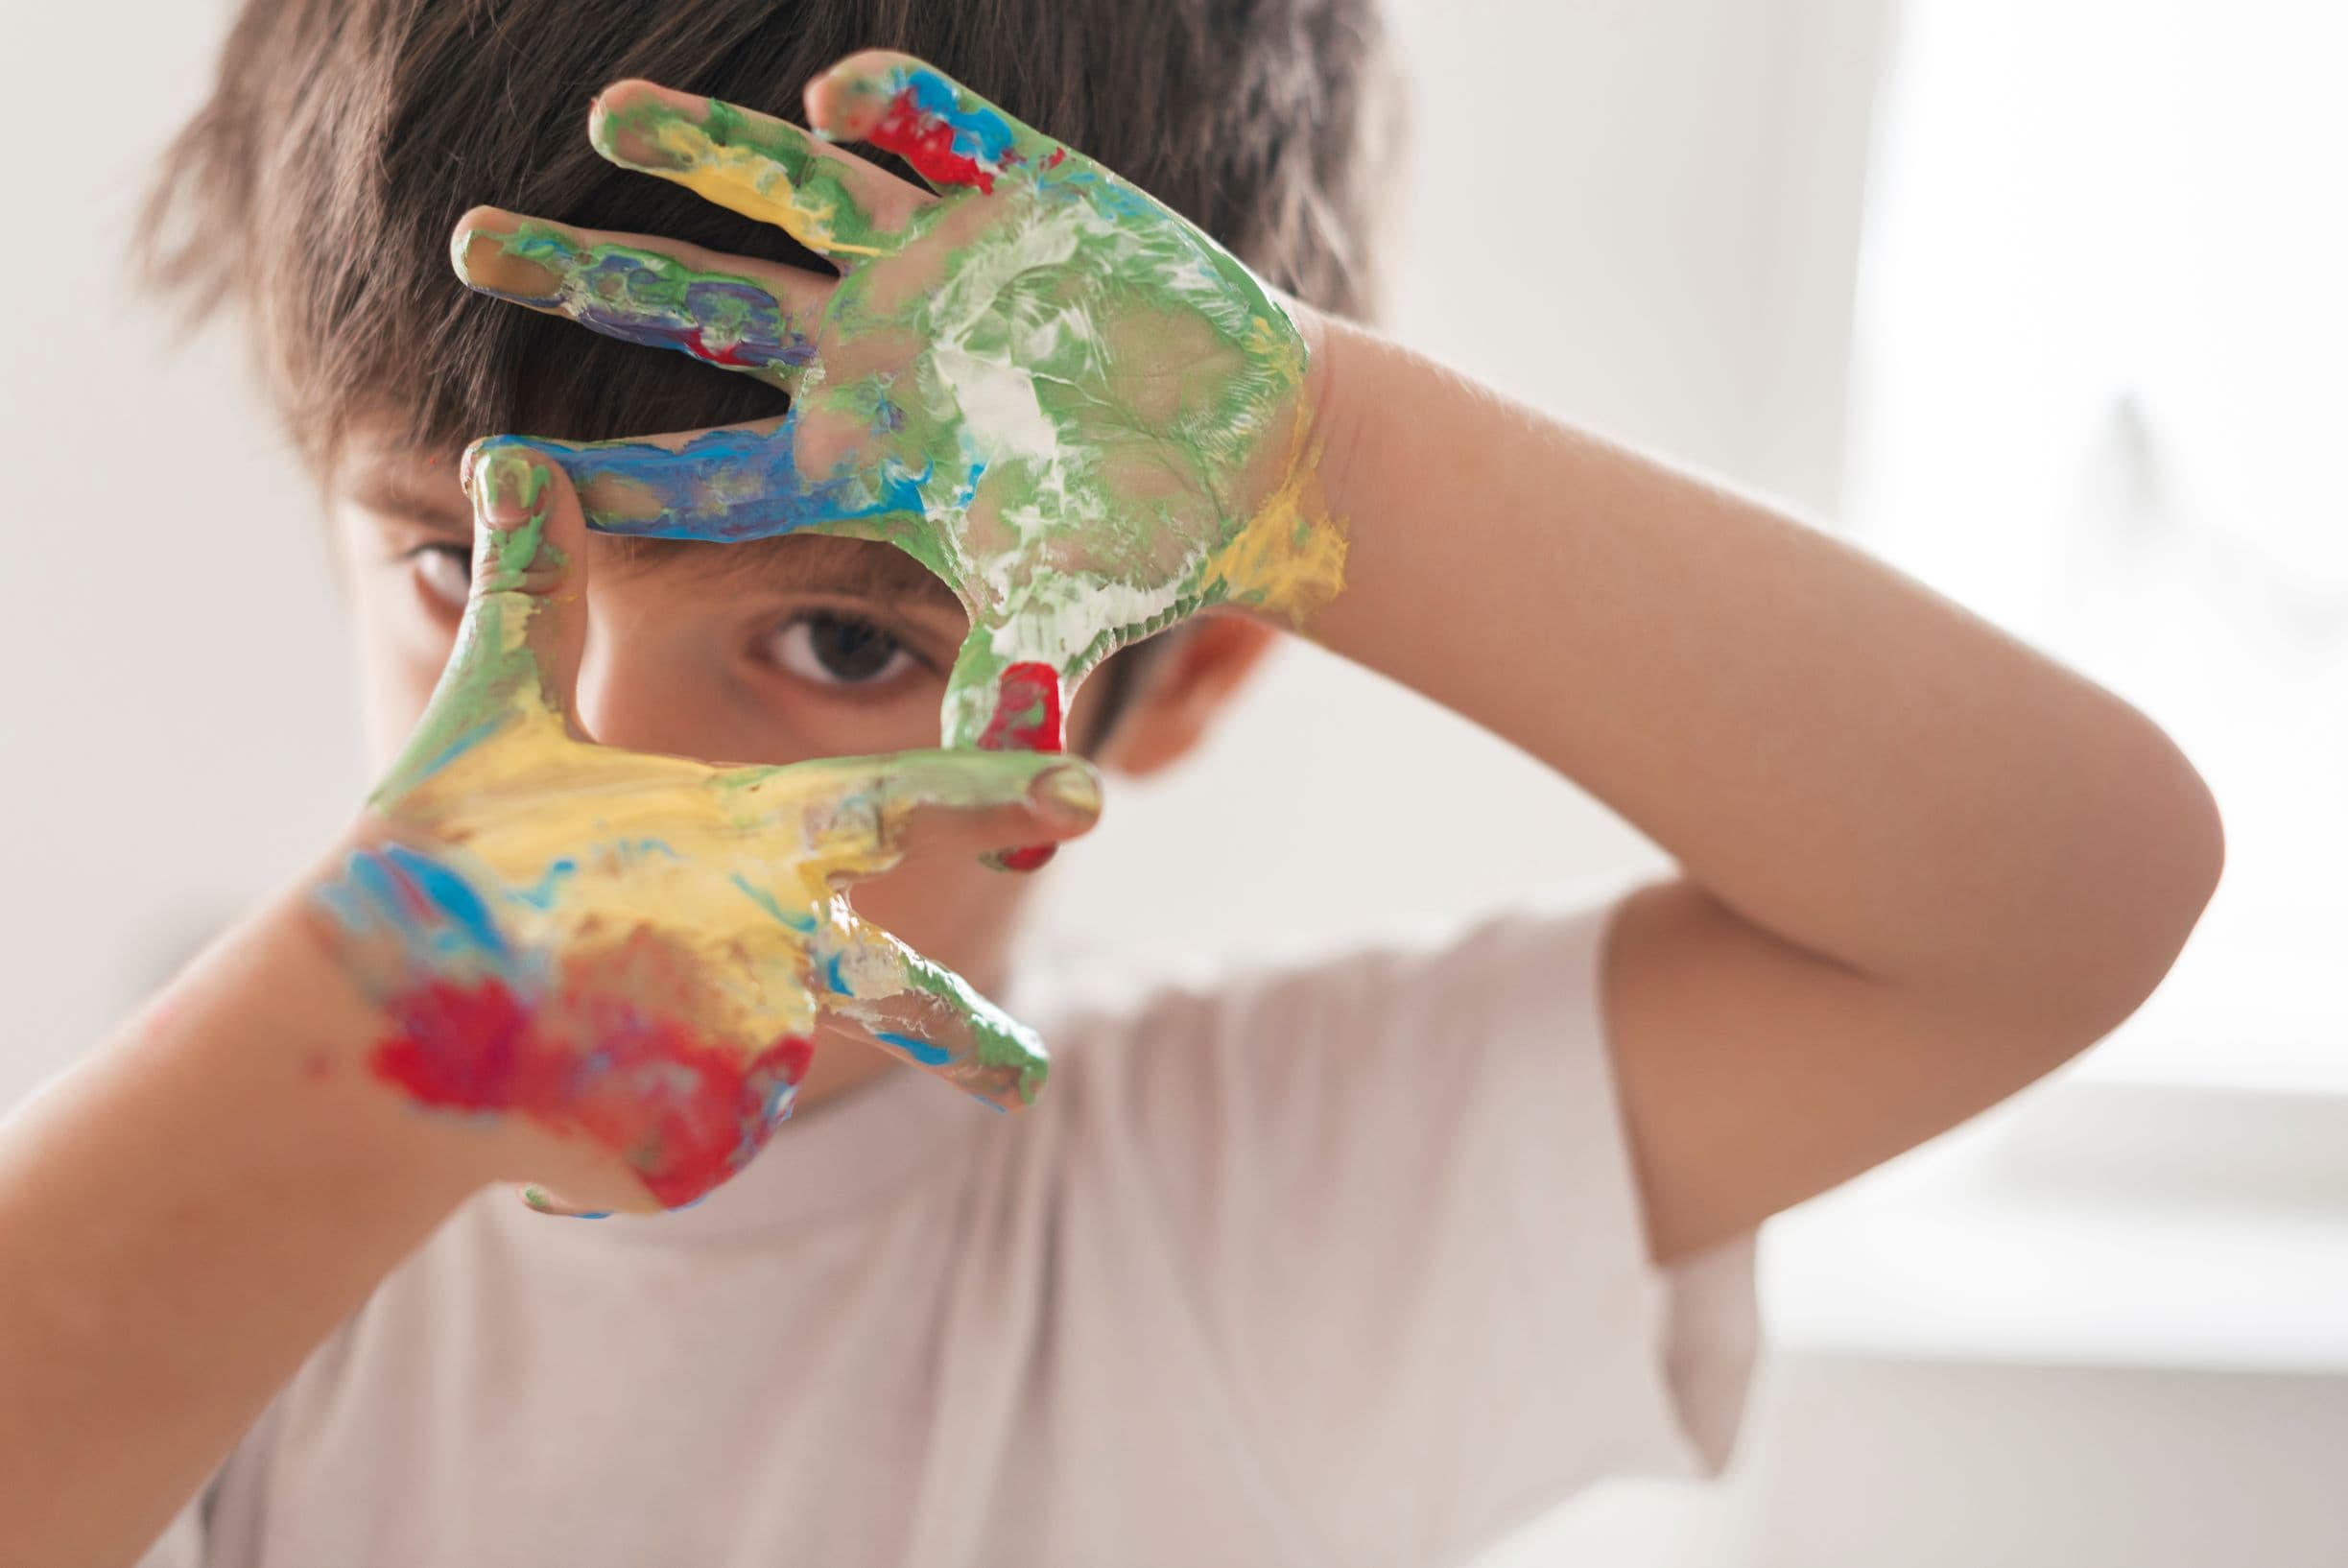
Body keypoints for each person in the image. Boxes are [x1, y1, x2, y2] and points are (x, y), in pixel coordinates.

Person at [0, 3, 2224, 1564]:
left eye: (845, 640)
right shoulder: (218, 1180)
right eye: (463, 562)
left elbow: (2055, 901)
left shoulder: (1242, 1214)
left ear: (1184, 679)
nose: (610, 764)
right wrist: (378, 1033)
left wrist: (1314, 457)